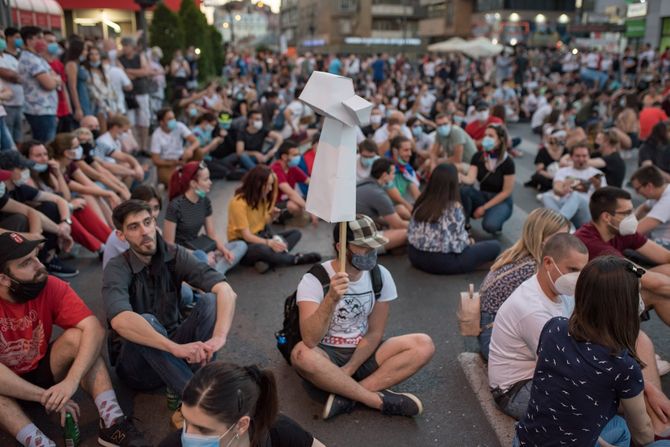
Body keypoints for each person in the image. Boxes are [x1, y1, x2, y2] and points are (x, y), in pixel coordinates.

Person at [0, 232, 149, 447]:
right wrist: (46, 397)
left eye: (35, 256)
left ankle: (112, 422)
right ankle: (39, 443)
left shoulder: (49, 284)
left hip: (40, 368)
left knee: (81, 338)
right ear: (3, 278)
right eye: (26, 262)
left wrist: (70, 382)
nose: (39, 265)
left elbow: (94, 329)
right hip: (6, 386)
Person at [102, 200, 238, 423]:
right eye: (134, 227)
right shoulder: (117, 267)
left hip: (177, 348)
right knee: (146, 321)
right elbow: (120, 321)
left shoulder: (174, 254)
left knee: (210, 301)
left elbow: (226, 290)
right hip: (137, 367)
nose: (145, 232)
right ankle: (201, 401)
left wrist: (219, 337)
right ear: (121, 235)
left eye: (147, 222)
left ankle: (201, 379)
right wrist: (174, 348)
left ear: (154, 222)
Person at [514, 256, 670, 446]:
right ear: (626, 305)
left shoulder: (554, 327)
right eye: (637, 293)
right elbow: (643, 433)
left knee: (619, 427)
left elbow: (552, 390)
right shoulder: (623, 365)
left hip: (525, 441)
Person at [290, 216, 435, 419]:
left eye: (374, 246)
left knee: (424, 344)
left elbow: (375, 332)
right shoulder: (314, 279)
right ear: (342, 247)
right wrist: (331, 298)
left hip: (362, 352)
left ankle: (346, 395)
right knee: (301, 355)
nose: (371, 252)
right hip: (326, 356)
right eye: (364, 247)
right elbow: (310, 339)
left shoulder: (380, 275)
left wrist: (350, 368)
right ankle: (374, 400)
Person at [488, 233, 589, 420]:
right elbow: (565, 365)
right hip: (515, 391)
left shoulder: (561, 289)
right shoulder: (532, 310)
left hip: (541, 372)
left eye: (582, 271)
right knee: (599, 398)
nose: (578, 278)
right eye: (573, 269)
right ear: (548, 263)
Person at [158, 362, 324, 447]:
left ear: (241, 425)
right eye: (185, 420)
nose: (187, 436)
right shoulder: (172, 444)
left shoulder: (279, 432)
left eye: (203, 429)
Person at [478, 208, 569, 360]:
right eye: (559, 238)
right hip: (492, 337)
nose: (566, 244)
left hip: (488, 327)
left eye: (567, 237)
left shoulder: (520, 254)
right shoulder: (532, 268)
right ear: (541, 238)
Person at [575, 186, 670, 325]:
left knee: (667, 271)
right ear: (606, 217)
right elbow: (652, 281)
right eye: (627, 213)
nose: (633, 217)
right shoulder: (590, 243)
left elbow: (666, 256)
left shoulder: (620, 231)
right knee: (657, 292)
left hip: (612, 288)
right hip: (588, 306)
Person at [20, 140, 111, 257]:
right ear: (26, 158)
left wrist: (58, 174)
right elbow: (38, 204)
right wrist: (70, 206)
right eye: (38, 155)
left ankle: (112, 241)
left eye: (45, 154)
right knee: (66, 210)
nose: (44, 158)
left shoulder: (47, 174)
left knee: (80, 206)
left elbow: (65, 196)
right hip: (43, 217)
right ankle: (101, 249)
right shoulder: (26, 178)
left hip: (58, 210)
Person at [408, 163, 500, 274]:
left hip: (415, 257)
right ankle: (475, 265)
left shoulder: (421, 201)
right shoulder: (454, 208)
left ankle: (475, 264)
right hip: (442, 262)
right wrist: (469, 241)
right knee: (495, 246)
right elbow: (459, 247)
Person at [226, 166, 320, 274]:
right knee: (263, 250)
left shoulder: (262, 198)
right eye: (268, 185)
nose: (270, 188)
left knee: (295, 233)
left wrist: (273, 216)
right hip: (244, 243)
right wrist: (269, 243)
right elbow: (247, 236)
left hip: (261, 236)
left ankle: (268, 261)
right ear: (258, 184)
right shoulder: (238, 203)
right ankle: (294, 259)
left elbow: (264, 223)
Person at [164, 161, 247, 275]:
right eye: (206, 179)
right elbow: (169, 245)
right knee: (202, 259)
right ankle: (214, 273)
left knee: (240, 245)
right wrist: (199, 255)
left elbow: (212, 235)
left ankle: (213, 272)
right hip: (183, 254)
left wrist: (224, 250)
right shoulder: (175, 206)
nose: (210, 182)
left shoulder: (205, 201)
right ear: (193, 183)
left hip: (202, 246)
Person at [460, 124, 515, 235]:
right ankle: (465, 226)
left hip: (500, 200)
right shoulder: (478, 156)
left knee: (490, 226)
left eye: (490, 136)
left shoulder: (507, 162)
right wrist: (458, 176)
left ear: (500, 140)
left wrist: (483, 208)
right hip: (483, 195)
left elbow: (507, 192)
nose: (486, 138)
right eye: (485, 135)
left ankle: (496, 219)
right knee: (464, 190)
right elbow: (470, 179)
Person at [542, 142, 605, 229]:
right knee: (546, 196)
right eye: (578, 156)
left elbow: (604, 200)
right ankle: (565, 225)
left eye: (584, 156)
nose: (581, 159)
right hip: (564, 206)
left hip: (586, 211)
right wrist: (564, 189)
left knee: (576, 195)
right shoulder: (563, 171)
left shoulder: (597, 173)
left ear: (589, 156)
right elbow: (557, 188)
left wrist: (598, 186)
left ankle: (557, 224)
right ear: (571, 157)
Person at [17, 26, 61, 143]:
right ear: (29, 40)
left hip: (47, 110)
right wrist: (55, 80)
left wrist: (54, 79)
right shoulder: (30, 59)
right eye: (39, 38)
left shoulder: (38, 58)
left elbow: (55, 76)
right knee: (44, 145)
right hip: (39, 111)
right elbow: (49, 84)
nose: (43, 42)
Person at [102, 185, 161, 270]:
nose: (153, 213)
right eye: (145, 207)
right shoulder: (127, 235)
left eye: (156, 208)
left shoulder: (154, 230)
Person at [355, 158, 408, 250]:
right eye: (393, 173)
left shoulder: (364, 183)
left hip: (351, 231)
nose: (394, 176)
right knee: (406, 232)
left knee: (399, 209)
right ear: (384, 175)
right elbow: (399, 224)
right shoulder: (378, 194)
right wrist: (419, 225)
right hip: (358, 243)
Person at [118, 37, 154, 152]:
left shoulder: (139, 57)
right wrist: (137, 73)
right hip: (128, 93)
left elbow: (145, 71)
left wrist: (129, 71)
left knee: (144, 119)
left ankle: (144, 146)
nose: (124, 48)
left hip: (141, 91)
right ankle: (135, 146)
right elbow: (122, 72)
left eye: (126, 46)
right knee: (131, 121)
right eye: (123, 46)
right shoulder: (120, 59)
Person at [150, 107, 201, 186]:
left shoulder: (179, 126)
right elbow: (155, 160)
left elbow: (196, 141)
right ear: (162, 122)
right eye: (169, 119)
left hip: (182, 158)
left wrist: (190, 149)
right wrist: (172, 163)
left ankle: (194, 174)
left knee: (198, 152)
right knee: (177, 183)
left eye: (173, 118)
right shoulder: (156, 135)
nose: (173, 121)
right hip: (167, 164)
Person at [270, 140, 313, 222]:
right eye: (295, 155)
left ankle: (302, 217)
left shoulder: (292, 168)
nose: (298, 157)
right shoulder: (276, 169)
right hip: (274, 204)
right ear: (284, 156)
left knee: (305, 200)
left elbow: (309, 181)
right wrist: (310, 210)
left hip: (286, 200)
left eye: (298, 154)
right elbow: (290, 193)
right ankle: (277, 220)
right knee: (294, 206)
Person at [632, 165, 670, 248]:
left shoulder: (667, 200)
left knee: (626, 246)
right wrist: (632, 218)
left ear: (649, 186)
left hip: (666, 245)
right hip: (659, 240)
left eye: (637, 189)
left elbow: (637, 230)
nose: (637, 193)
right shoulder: (661, 192)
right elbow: (643, 207)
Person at [525, 128, 568, 192]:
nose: (563, 139)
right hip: (548, 176)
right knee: (538, 177)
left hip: (561, 175)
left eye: (563, 137)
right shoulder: (543, 151)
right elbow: (539, 170)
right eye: (560, 137)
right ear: (553, 138)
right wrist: (553, 177)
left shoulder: (565, 150)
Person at [0, 28, 24, 144]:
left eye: (2, 38)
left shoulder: (9, 58)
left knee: (17, 137)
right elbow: (10, 75)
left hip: (18, 103)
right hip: (6, 106)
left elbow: (22, 76)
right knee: (7, 142)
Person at [63, 35, 91, 123]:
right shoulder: (71, 65)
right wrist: (78, 108)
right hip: (79, 98)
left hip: (84, 96)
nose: (86, 52)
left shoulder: (79, 64)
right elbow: (72, 87)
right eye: (85, 50)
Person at [389, 136, 420, 203]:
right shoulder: (385, 168)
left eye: (410, 150)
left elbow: (417, 195)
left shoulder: (407, 169)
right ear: (395, 151)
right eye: (406, 150)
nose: (410, 154)